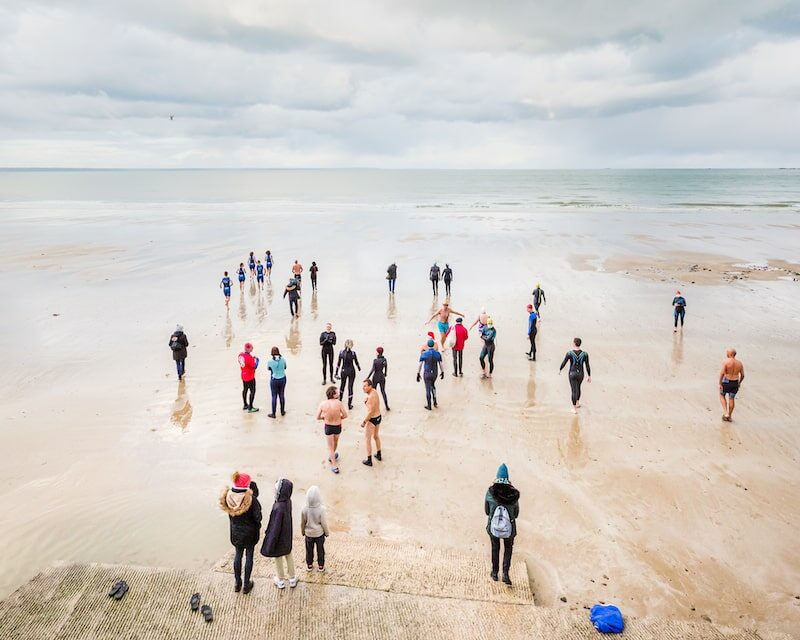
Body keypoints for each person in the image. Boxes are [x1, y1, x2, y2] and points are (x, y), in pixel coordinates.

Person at [219, 471, 262, 594]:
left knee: (237, 555)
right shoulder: (251, 500)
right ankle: (246, 584)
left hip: (236, 533)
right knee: (249, 556)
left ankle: (237, 583)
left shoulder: (228, 497)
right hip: (250, 534)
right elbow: (258, 517)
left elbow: (231, 516)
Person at [484, 463, 520, 585]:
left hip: (493, 528)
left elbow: (487, 511)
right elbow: (516, 514)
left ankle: (494, 573)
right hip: (509, 530)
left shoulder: (490, 493)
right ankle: (505, 574)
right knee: (508, 548)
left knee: (495, 548)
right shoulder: (513, 495)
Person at [260, 478, 297, 589]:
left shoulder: (278, 507)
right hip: (287, 535)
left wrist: (270, 541)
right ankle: (292, 578)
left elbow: (275, 527)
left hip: (279, 537)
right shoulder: (288, 502)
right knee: (288, 554)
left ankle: (280, 580)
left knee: (278, 557)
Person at [316, 386, 348, 474]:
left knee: (330, 446)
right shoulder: (339, 403)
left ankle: (334, 464)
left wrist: (324, 418)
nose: (338, 394)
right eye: (337, 393)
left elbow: (317, 417)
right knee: (335, 442)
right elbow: (345, 415)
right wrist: (339, 417)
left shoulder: (323, 404)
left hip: (328, 426)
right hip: (337, 426)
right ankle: (332, 458)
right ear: (333, 394)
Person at [559, 338, 591, 413]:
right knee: (578, 387)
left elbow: (564, 362)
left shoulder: (569, 353)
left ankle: (574, 409)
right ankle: (577, 403)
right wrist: (589, 376)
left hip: (572, 374)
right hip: (580, 374)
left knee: (574, 390)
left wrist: (560, 369)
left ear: (574, 343)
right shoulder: (585, 354)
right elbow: (587, 366)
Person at [301, 486, 329, 572]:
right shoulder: (322, 509)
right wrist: (326, 533)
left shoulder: (304, 509)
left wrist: (302, 532)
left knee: (309, 550)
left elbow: (303, 522)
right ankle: (321, 565)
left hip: (308, 534)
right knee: (320, 550)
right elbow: (324, 523)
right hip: (319, 534)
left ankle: (309, 565)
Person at [360, 379, 383, 466]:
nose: (363, 388)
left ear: (370, 386)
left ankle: (369, 460)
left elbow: (370, 412)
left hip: (372, 419)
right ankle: (379, 454)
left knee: (367, 439)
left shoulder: (369, 398)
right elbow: (374, 406)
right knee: (376, 436)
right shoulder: (374, 391)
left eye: (365, 386)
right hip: (379, 417)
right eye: (363, 386)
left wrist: (364, 422)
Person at [719, 348, 745, 422]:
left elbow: (722, 373)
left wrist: (720, 383)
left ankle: (726, 412)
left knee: (722, 395)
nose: (726, 354)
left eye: (727, 353)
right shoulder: (740, 363)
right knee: (731, 398)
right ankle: (729, 416)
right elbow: (742, 375)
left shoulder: (726, 362)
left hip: (726, 382)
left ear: (730, 354)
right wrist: (739, 383)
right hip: (735, 383)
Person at [417, 339, 443, 410]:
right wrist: (442, 372)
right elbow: (440, 364)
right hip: (434, 373)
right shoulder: (437, 354)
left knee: (427, 389)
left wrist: (418, 373)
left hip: (427, 373)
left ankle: (429, 405)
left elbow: (420, 365)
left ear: (428, 345)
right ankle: (435, 401)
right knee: (433, 386)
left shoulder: (424, 354)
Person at [336, 339, 361, 410]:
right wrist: (359, 368)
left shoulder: (341, 353)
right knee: (350, 387)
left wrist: (336, 372)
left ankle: (340, 398)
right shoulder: (353, 353)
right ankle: (349, 405)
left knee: (342, 385)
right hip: (351, 371)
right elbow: (356, 362)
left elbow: (338, 363)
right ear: (352, 345)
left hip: (344, 370)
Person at [238, 342, 260, 413]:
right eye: (251, 347)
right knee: (253, 390)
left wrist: (251, 358)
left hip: (243, 375)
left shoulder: (240, 355)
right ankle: (250, 407)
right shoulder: (249, 358)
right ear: (249, 348)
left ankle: (245, 404)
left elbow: (245, 361)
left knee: (245, 389)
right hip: (250, 376)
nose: (252, 348)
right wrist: (257, 360)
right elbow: (255, 366)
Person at [266, 347, 287, 418]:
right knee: (282, 395)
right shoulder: (283, 359)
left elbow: (269, 369)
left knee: (274, 396)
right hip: (282, 378)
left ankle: (273, 413)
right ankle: (282, 411)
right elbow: (285, 367)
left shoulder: (270, 361)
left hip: (274, 379)